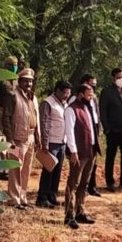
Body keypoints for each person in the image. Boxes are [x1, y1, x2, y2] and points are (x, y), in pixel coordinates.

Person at [2, 67, 40, 209]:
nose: (28, 84)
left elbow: (36, 118)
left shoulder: (33, 97)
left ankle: (22, 197)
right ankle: (14, 199)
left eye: (30, 81)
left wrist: (37, 137)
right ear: (20, 81)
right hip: (17, 139)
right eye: (25, 81)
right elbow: (6, 118)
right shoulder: (13, 96)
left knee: (26, 169)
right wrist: (10, 139)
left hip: (30, 137)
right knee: (15, 169)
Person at [63, 83, 100, 229]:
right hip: (79, 152)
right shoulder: (71, 110)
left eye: (92, 95)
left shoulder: (88, 108)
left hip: (90, 150)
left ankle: (80, 210)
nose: (91, 97)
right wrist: (73, 151)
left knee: (84, 183)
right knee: (73, 183)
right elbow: (70, 131)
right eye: (88, 95)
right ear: (80, 94)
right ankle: (69, 215)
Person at [36, 79, 72, 208]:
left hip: (62, 142)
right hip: (51, 142)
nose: (67, 96)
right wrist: (44, 142)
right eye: (65, 93)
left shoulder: (65, 104)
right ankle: (42, 197)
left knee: (57, 171)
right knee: (48, 170)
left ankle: (52, 195)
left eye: (69, 93)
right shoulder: (48, 103)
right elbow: (44, 123)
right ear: (57, 91)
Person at [99, 67, 122, 192]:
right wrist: (107, 129)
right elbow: (103, 112)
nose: (121, 80)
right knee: (111, 157)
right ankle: (110, 182)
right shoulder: (107, 92)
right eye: (119, 77)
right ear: (113, 78)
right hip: (113, 130)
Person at [69, 73, 102, 196]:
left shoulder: (91, 102)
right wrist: (73, 150)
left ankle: (81, 207)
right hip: (80, 146)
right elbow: (71, 128)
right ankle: (70, 212)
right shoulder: (73, 105)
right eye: (91, 86)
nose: (91, 95)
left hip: (91, 143)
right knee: (75, 179)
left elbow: (95, 120)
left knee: (86, 177)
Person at [0, 55, 18, 180]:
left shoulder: (16, 80)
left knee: (12, 138)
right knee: (0, 139)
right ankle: (2, 169)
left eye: (16, 65)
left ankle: (12, 165)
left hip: (13, 113)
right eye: (12, 65)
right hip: (0, 111)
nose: (14, 67)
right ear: (6, 66)